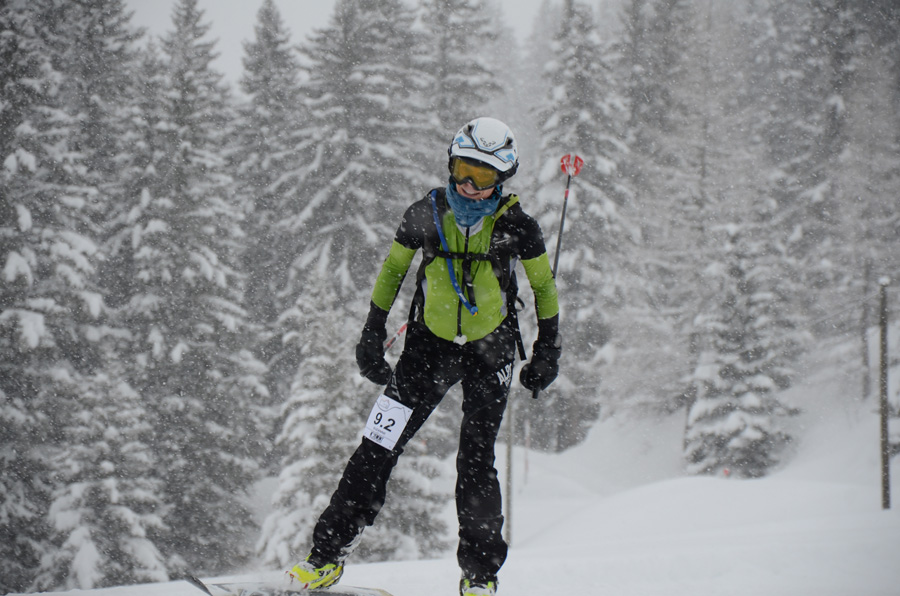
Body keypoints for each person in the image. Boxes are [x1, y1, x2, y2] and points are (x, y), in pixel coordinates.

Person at [287, 117, 562, 596]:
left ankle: (480, 577)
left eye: (483, 176)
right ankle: (324, 558)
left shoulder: (518, 226)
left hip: (490, 351)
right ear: (450, 164)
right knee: (377, 446)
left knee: (476, 463)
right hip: (427, 350)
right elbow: (393, 270)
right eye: (462, 170)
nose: (469, 186)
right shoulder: (425, 214)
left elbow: (543, 286)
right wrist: (372, 332)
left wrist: (546, 351)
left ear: (503, 178)